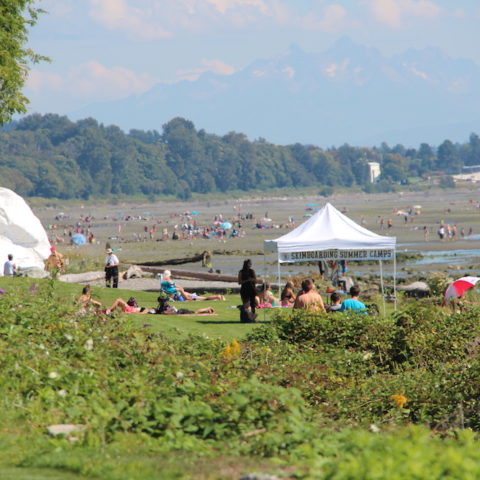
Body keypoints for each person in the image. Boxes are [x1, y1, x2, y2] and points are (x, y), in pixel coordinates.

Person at [160, 270, 225, 301]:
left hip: (184, 295)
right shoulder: (169, 284)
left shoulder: (164, 284)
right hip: (184, 294)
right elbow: (179, 288)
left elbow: (181, 293)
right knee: (203, 298)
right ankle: (218, 297)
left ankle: (218, 297)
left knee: (204, 299)